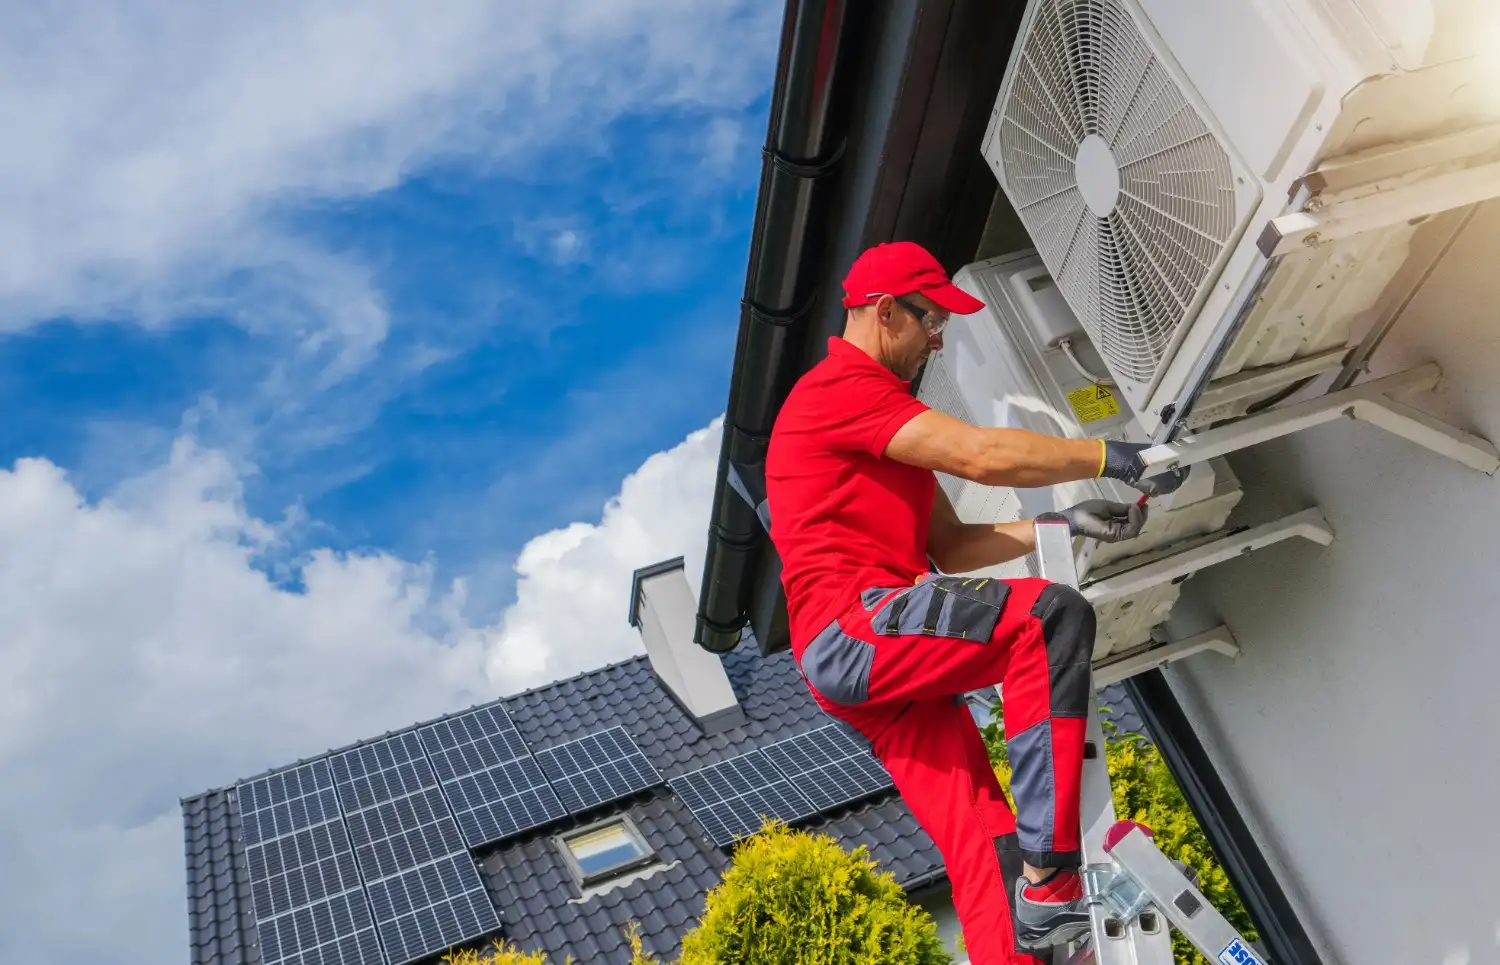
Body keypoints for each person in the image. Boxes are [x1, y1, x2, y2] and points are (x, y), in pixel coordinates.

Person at [763, 241, 1186, 964]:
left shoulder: (883, 420)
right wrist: (1109, 457)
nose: (939, 337)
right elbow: (981, 455)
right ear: (885, 310)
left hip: (861, 658)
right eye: (931, 319)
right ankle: (1049, 887)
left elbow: (953, 546)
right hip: (857, 626)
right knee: (1047, 618)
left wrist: (1059, 521)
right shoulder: (841, 388)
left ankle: (1019, 941)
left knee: (982, 832)